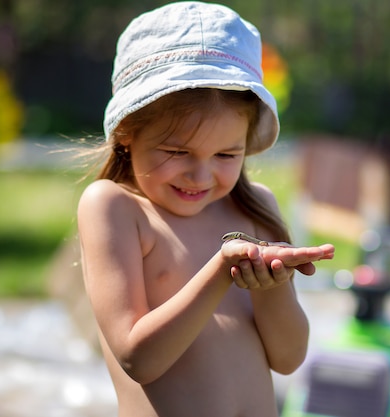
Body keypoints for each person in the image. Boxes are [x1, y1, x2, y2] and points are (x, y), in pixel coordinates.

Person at [76, 2, 335, 417]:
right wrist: (219, 273)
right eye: (177, 151)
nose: (201, 175)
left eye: (226, 155)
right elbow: (138, 359)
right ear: (127, 132)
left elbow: (288, 359)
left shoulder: (256, 206)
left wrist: (271, 288)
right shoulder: (116, 207)